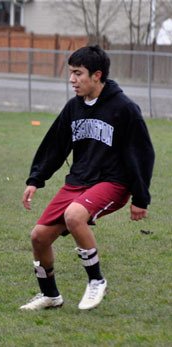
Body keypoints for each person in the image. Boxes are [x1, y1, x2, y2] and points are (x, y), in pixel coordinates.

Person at [19, 45, 155, 311]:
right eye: (70, 73)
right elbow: (55, 146)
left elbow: (142, 153)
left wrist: (140, 198)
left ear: (97, 75)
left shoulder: (124, 108)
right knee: (39, 237)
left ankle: (96, 280)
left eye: (78, 73)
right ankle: (50, 295)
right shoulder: (74, 108)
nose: (72, 79)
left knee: (74, 216)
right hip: (78, 182)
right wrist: (36, 179)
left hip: (112, 182)